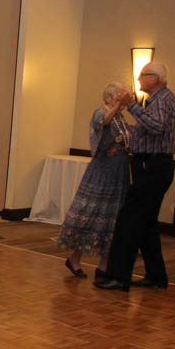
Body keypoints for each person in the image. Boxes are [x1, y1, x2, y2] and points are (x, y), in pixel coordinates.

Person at [96, 62, 175, 291]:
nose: (139, 79)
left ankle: (119, 277)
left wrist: (131, 105)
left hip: (153, 166)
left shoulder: (162, 100)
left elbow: (156, 127)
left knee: (129, 221)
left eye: (144, 75)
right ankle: (156, 276)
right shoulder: (155, 100)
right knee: (147, 224)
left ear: (156, 79)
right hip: (151, 165)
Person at [57, 83, 131, 280]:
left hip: (119, 173)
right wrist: (117, 107)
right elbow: (104, 122)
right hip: (102, 172)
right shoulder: (101, 112)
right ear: (108, 98)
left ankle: (104, 264)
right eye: (118, 96)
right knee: (91, 213)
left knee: (112, 217)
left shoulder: (122, 119)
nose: (121, 99)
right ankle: (75, 258)